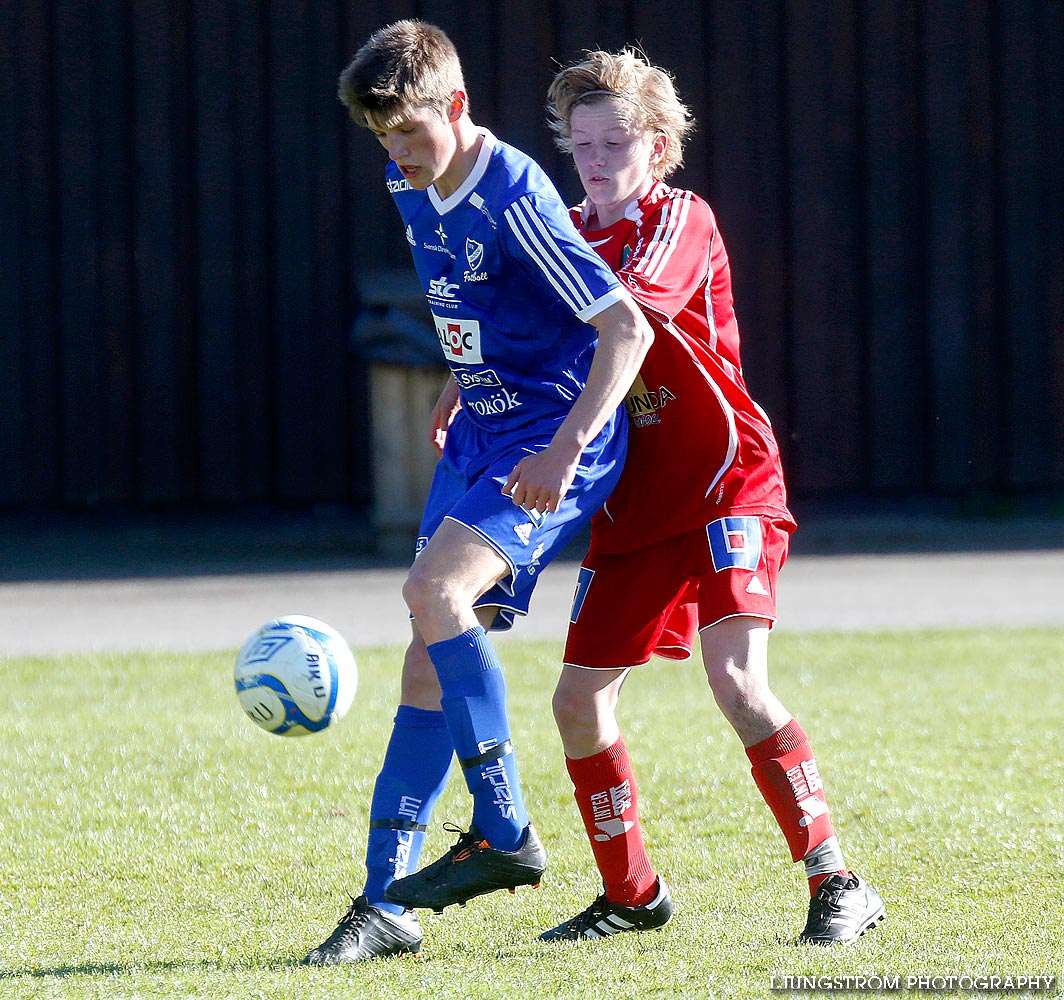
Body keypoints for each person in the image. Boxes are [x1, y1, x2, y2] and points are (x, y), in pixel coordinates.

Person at [303, 23, 654, 964]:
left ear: (457, 107)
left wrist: (565, 446)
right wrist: (467, 365)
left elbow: (626, 333)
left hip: (551, 437)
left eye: (411, 133)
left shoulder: (516, 195)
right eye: (382, 139)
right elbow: (476, 292)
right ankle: (385, 905)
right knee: (427, 655)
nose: (397, 155)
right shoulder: (404, 180)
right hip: (485, 427)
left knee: (432, 595)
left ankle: (504, 829)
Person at [537, 49, 885, 946]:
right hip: (632, 505)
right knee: (577, 701)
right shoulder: (565, 230)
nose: (599, 160)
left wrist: (561, 424)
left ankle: (838, 881)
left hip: (728, 482)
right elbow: (525, 335)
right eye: (582, 144)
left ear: (658, 145)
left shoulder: (679, 217)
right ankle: (632, 895)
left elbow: (627, 317)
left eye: (616, 141)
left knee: (735, 680)